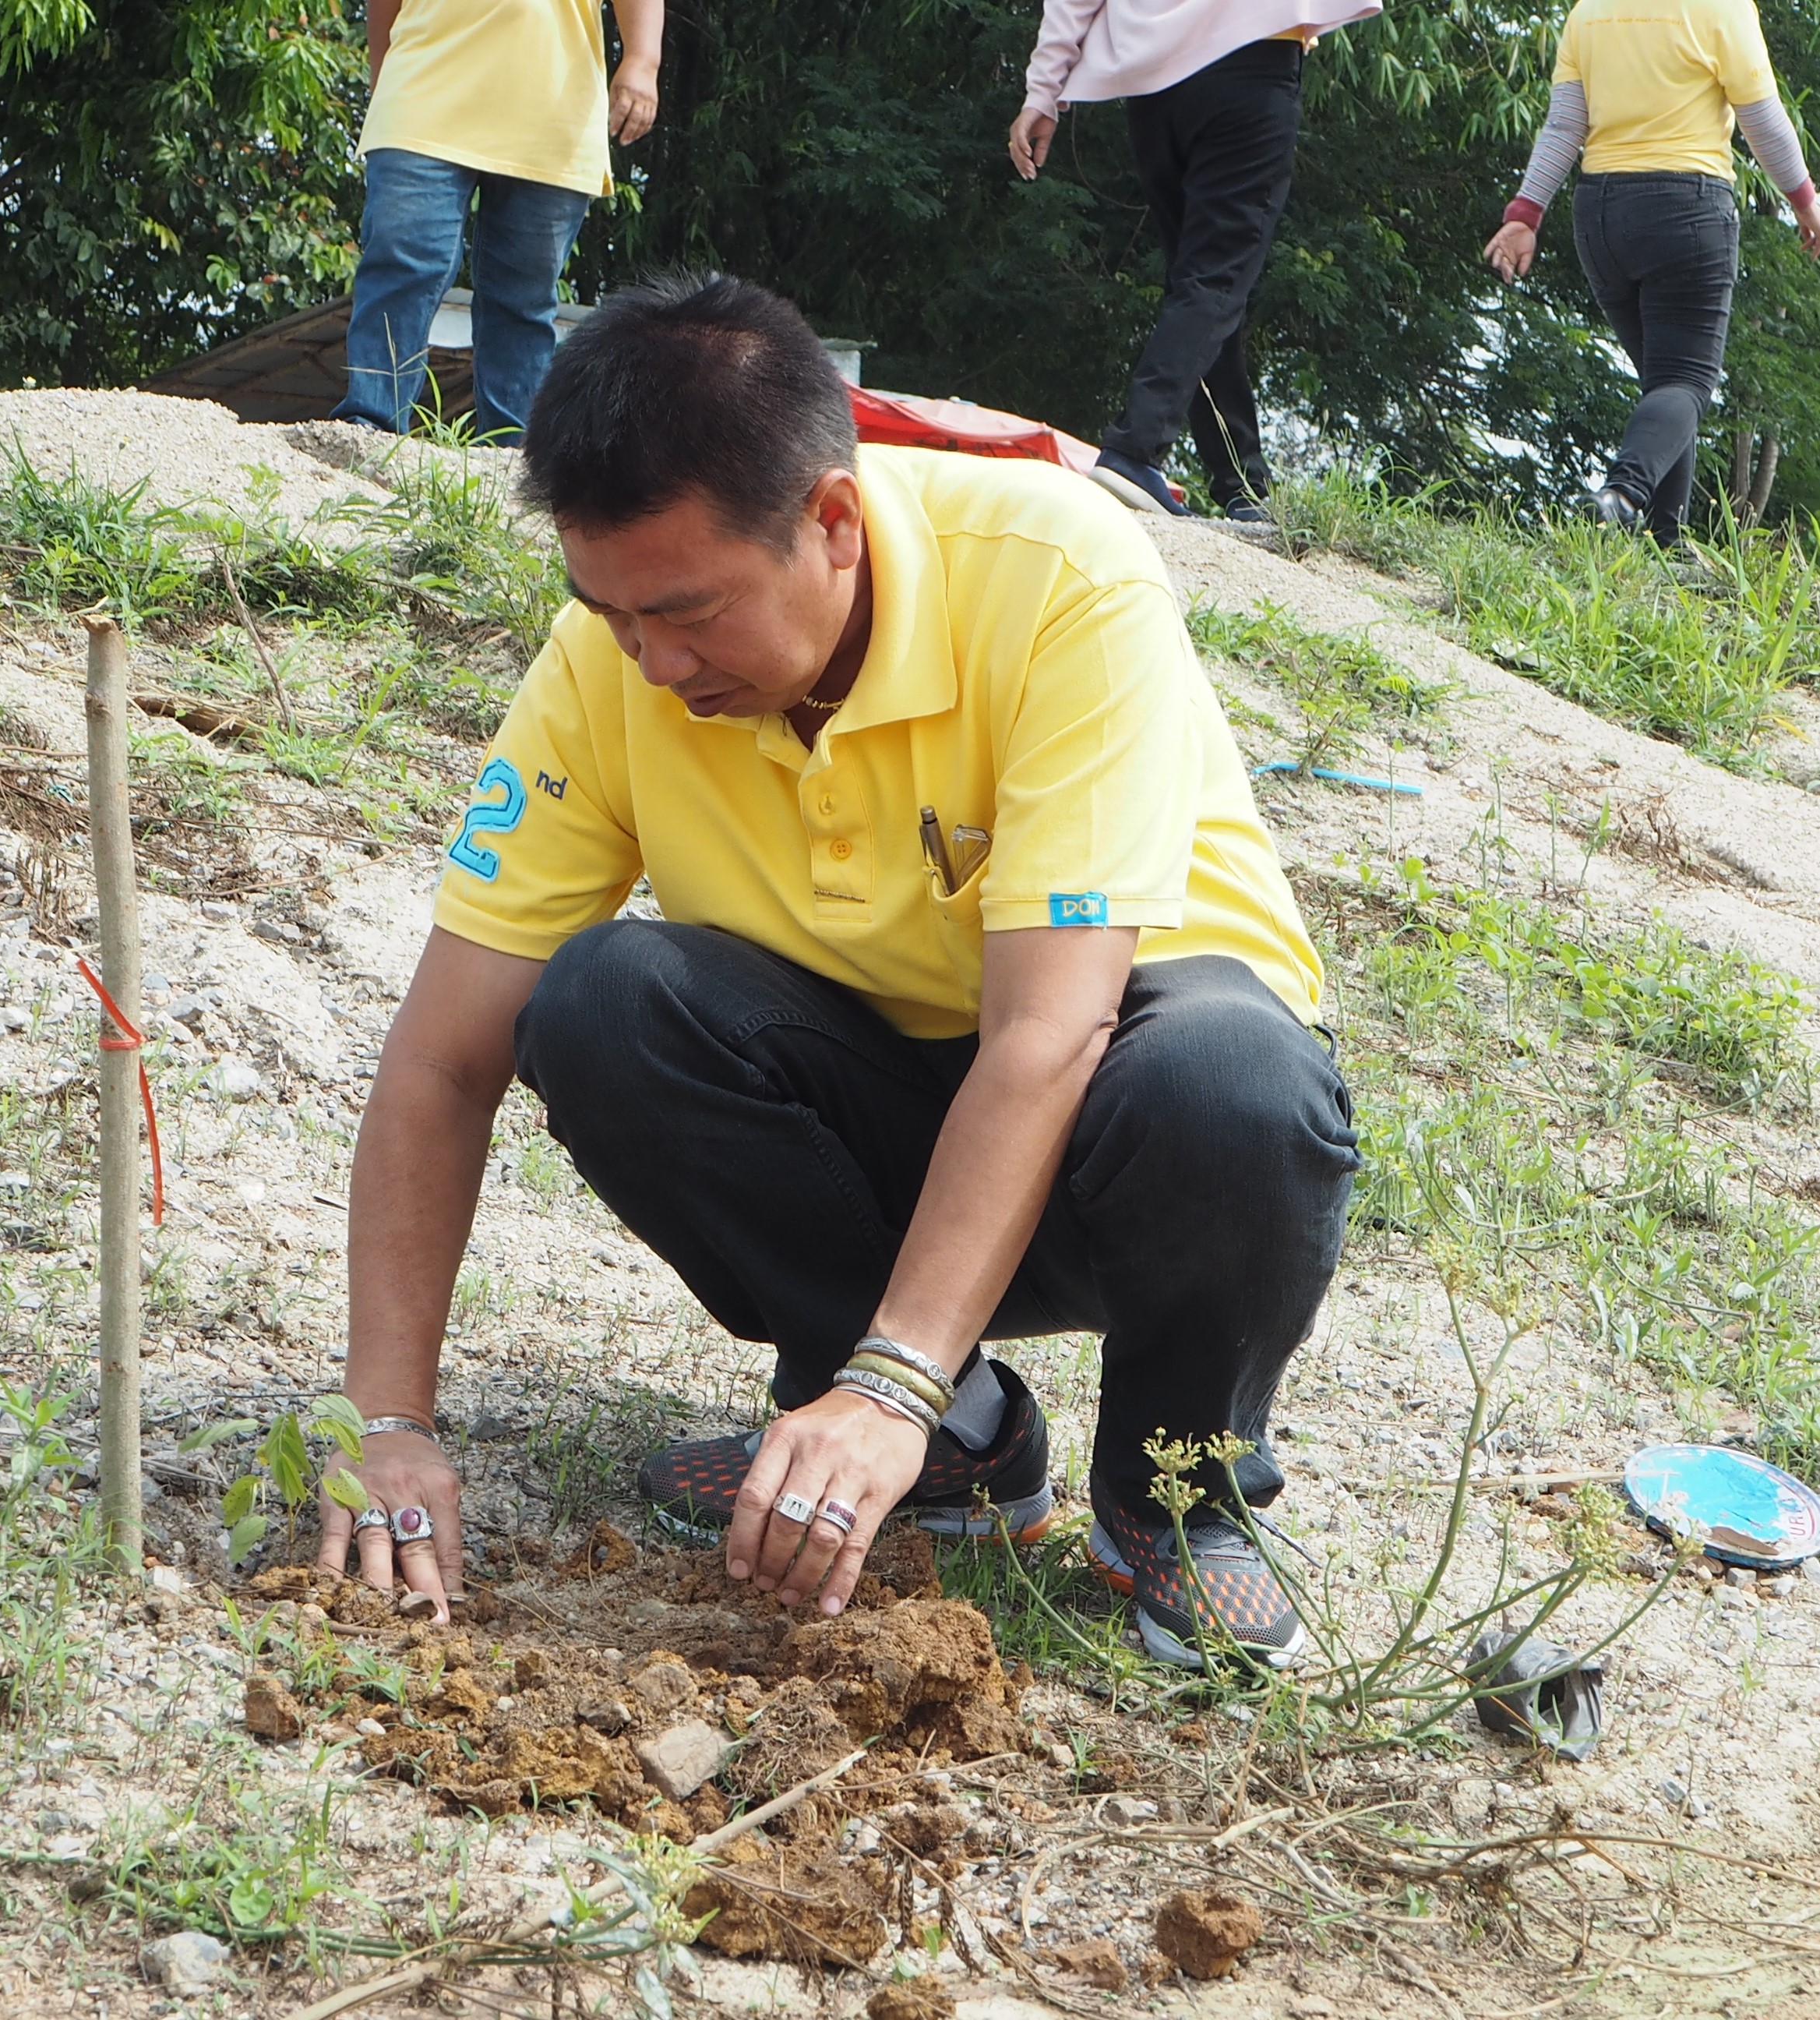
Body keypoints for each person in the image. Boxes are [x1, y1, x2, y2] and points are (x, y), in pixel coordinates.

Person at [316, 275, 1361, 1671]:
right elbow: (445, 1057)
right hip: (872, 1129)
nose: (654, 662)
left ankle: (1174, 1494)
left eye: (690, 611)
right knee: (602, 1001)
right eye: (613, 614)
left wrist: (888, 1378)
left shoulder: (1060, 573)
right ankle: (959, 1447)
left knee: (1230, 1082)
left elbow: (1050, 1033)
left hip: (1119, 1126)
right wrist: (387, 1422)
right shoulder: (609, 659)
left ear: (832, 522)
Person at [1007, 3, 1381, 522]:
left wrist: (1042, 91)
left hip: (1155, 88)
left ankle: (1241, 484)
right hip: (1250, 63)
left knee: (1201, 285)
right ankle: (1134, 449)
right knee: (1215, 279)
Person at [1486, 0, 1820, 545]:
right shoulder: (1721, 8)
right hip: (1685, 208)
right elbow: (1762, 119)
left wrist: (1525, 213)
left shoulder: (1589, 11)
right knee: (1686, 381)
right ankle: (1621, 495)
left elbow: (1564, 126)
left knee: (1666, 385)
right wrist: (1806, 202)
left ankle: (1665, 543)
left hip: (1601, 217)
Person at [333, 0, 665, 443]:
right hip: (422, 84)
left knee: (522, 298)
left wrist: (643, 60)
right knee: (402, 260)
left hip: (553, 104)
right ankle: (369, 429)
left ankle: (512, 457)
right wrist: (383, 81)